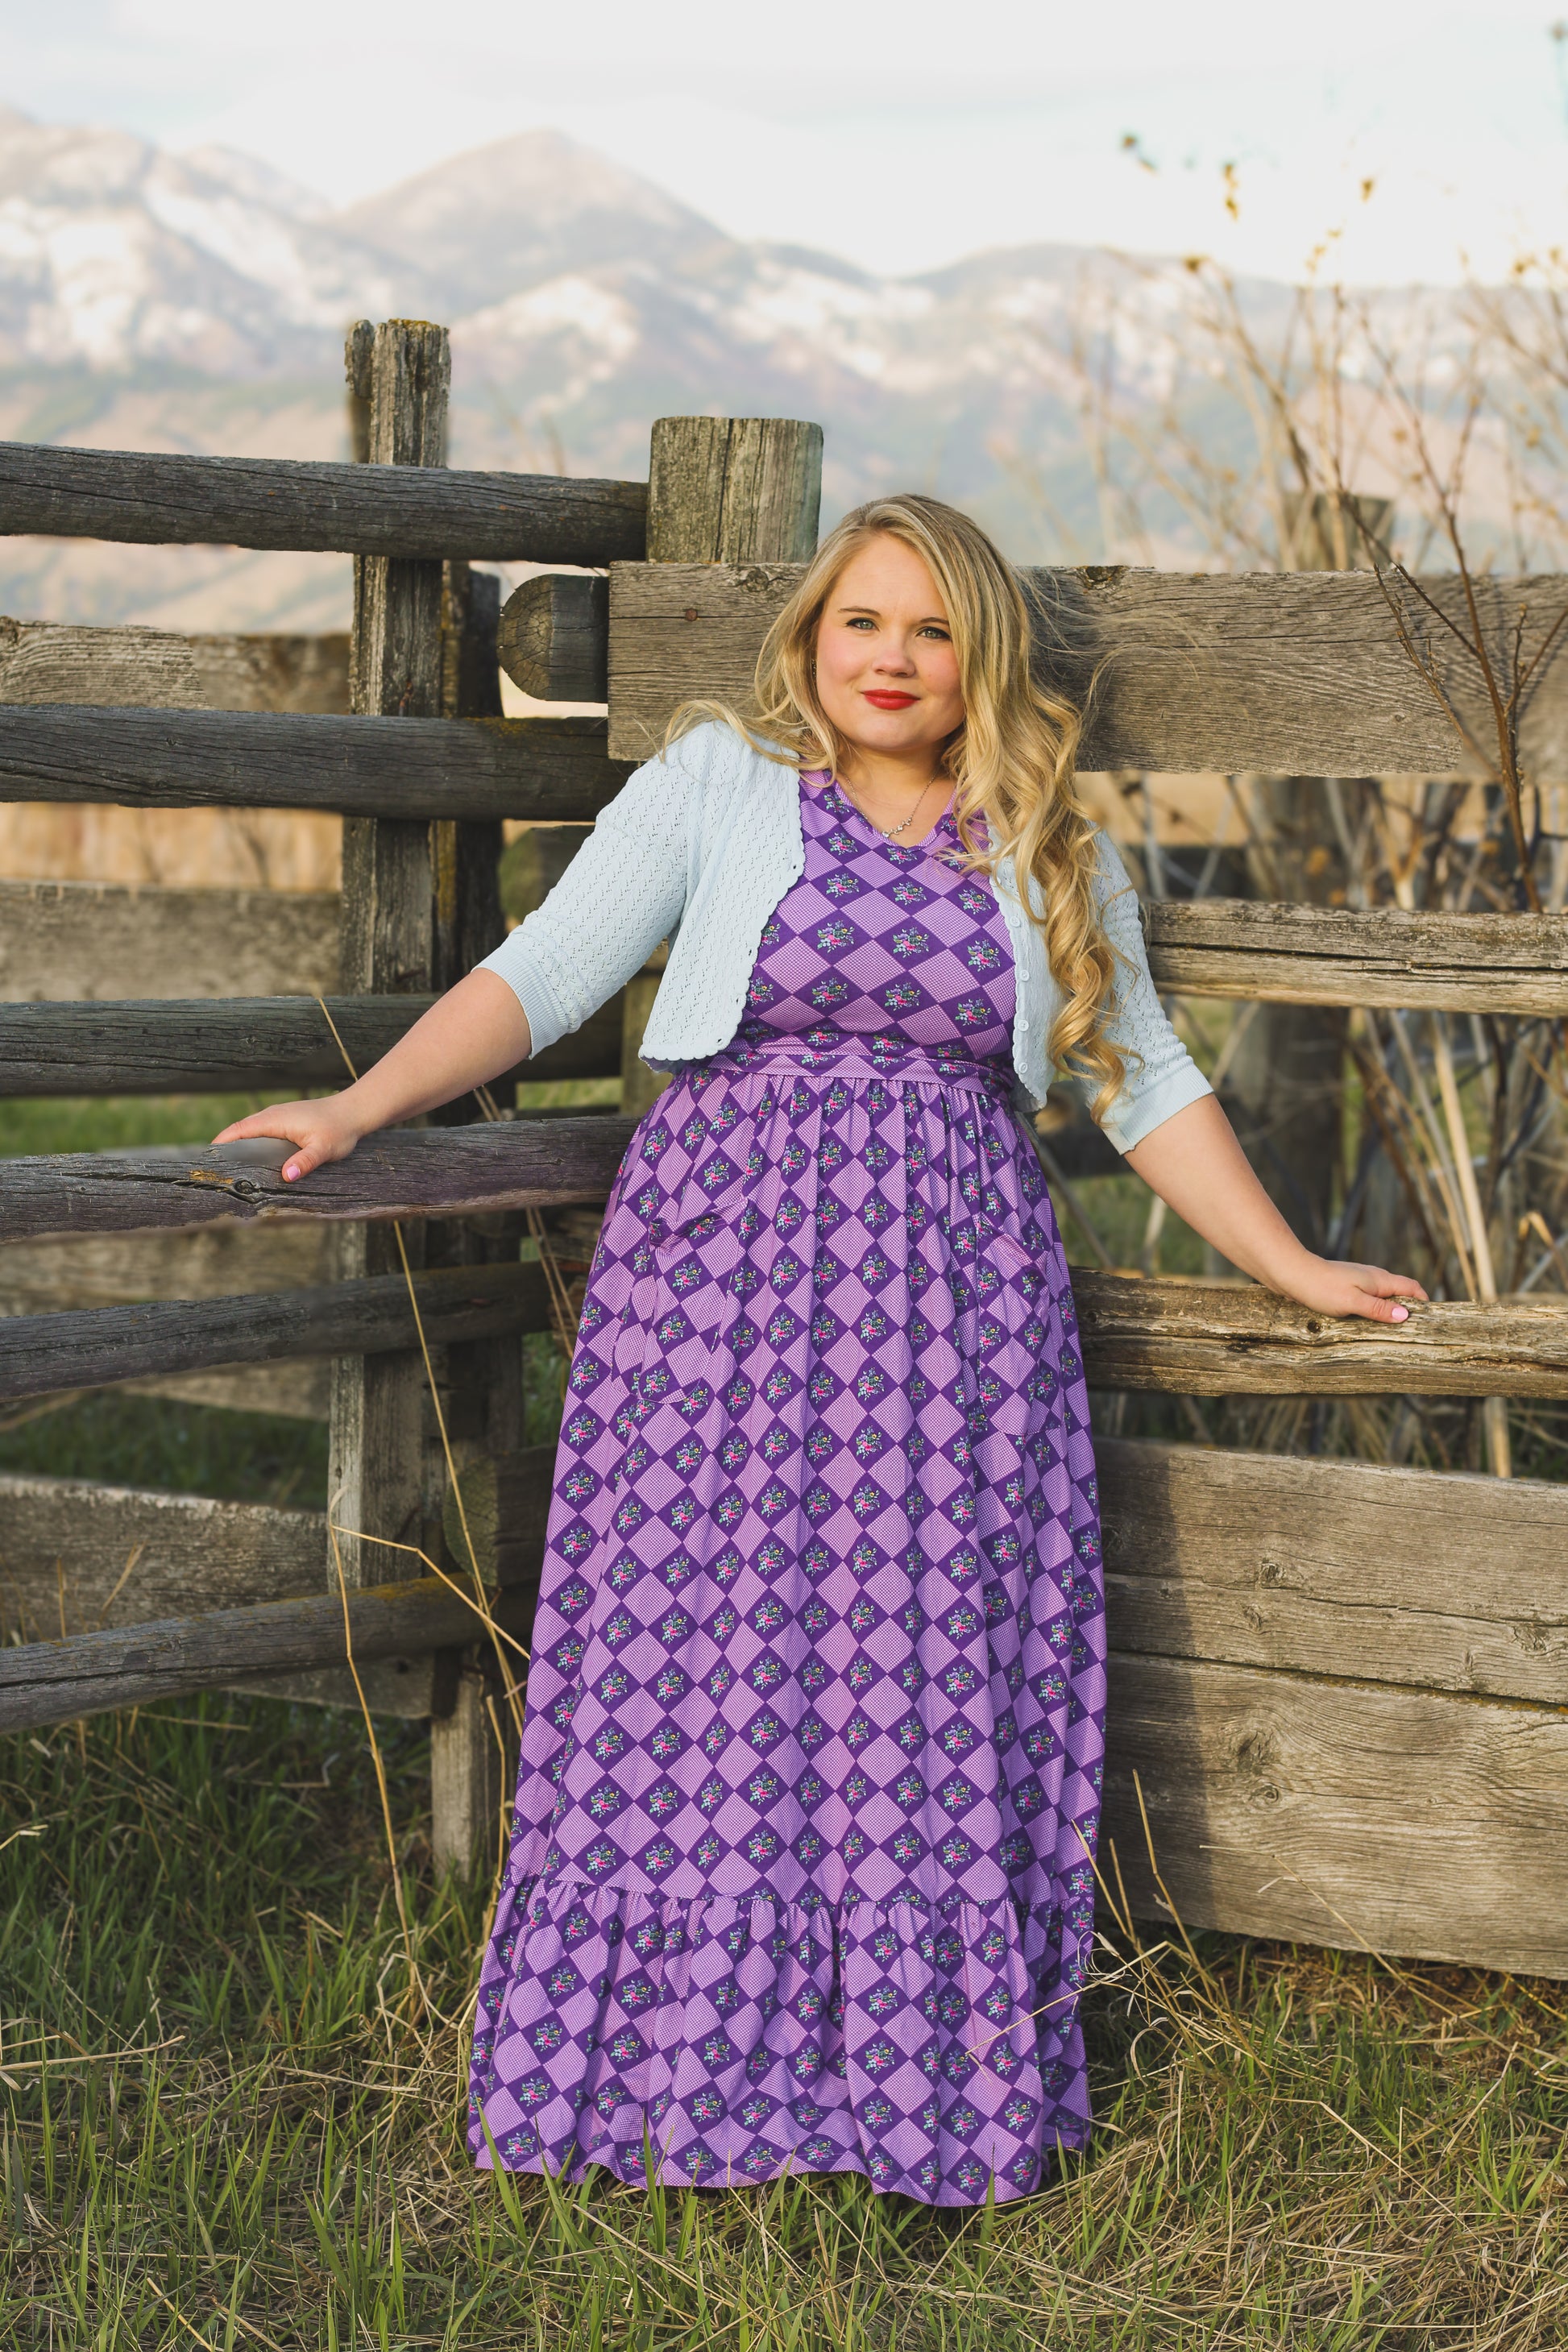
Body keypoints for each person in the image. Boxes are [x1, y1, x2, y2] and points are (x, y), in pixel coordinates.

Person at [215, 495, 1424, 2206]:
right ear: (808, 635)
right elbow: (547, 970)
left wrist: (1292, 1261)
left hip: (951, 1326)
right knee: (683, 1661)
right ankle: (657, 2075)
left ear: (979, 660)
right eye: (863, 620)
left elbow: (1141, 1077)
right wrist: (358, 1101)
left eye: (932, 631)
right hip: (711, 1298)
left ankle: (904, 2093)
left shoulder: (1042, 844)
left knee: (916, 1682)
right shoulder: (716, 782)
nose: (892, 658)